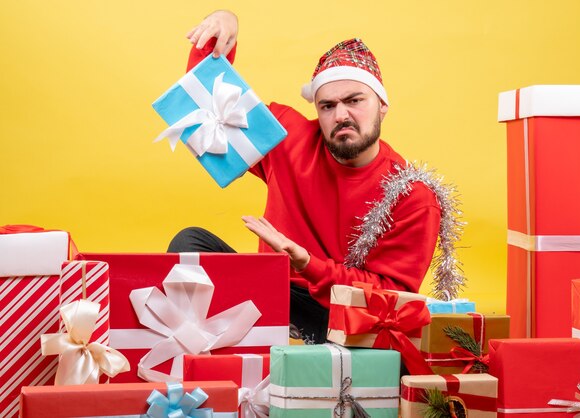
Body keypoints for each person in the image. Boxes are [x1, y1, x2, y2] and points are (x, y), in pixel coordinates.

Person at [168, 10, 449, 344]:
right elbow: (205, 114)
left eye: (354, 101)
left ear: (382, 105)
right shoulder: (288, 138)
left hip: (337, 316)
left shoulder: (413, 195)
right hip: (267, 292)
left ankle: (279, 343)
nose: (341, 115)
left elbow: (391, 300)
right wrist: (222, 31)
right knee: (190, 244)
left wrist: (306, 263)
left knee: (373, 332)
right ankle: (244, 340)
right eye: (327, 106)